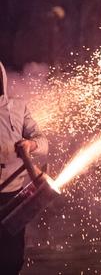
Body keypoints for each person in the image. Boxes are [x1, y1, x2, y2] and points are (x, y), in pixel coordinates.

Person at [0, 61, 49, 274]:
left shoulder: (19, 108)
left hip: (13, 198)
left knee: (12, 260)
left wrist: (31, 145)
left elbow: (43, 142)